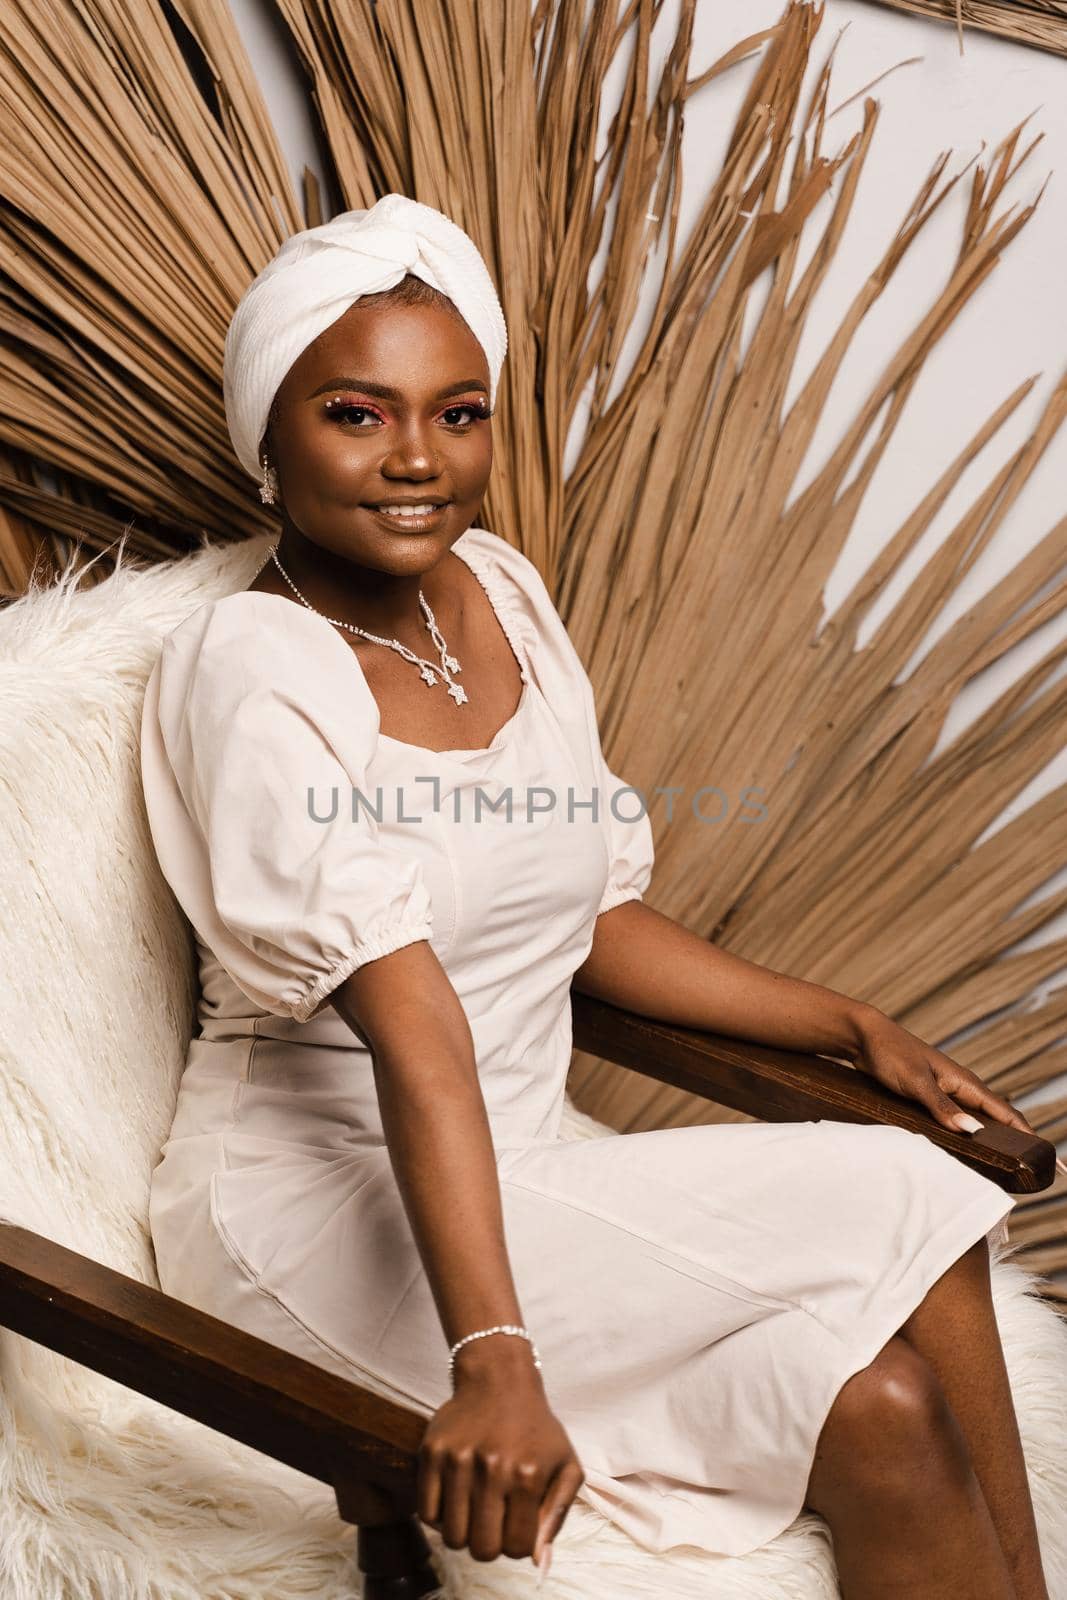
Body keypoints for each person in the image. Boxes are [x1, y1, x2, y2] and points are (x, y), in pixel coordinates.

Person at [139, 193, 1051, 1597]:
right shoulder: (251, 669)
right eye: (356, 415)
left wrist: (845, 1021)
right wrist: (492, 1362)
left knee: (884, 1401)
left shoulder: (497, 592)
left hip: (528, 1164)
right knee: (894, 1209)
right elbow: (418, 1027)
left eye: (458, 413)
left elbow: (590, 920)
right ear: (268, 436)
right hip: (318, 1212)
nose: (416, 462)